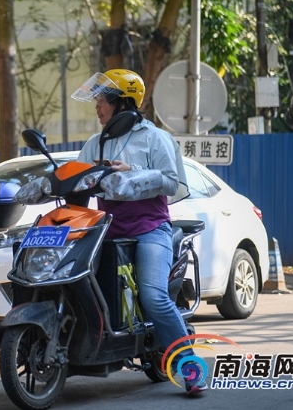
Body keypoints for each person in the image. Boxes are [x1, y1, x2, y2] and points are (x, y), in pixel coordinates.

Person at [71, 69, 207, 395]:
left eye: (102, 100)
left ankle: (190, 367)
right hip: (107, 232)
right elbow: (76, 182)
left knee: (154, 296)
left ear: (123, 102)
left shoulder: (155, 138)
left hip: (150, 230)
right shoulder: (95, 143)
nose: (97, 107)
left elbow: (172, 182)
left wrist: (132, 171)